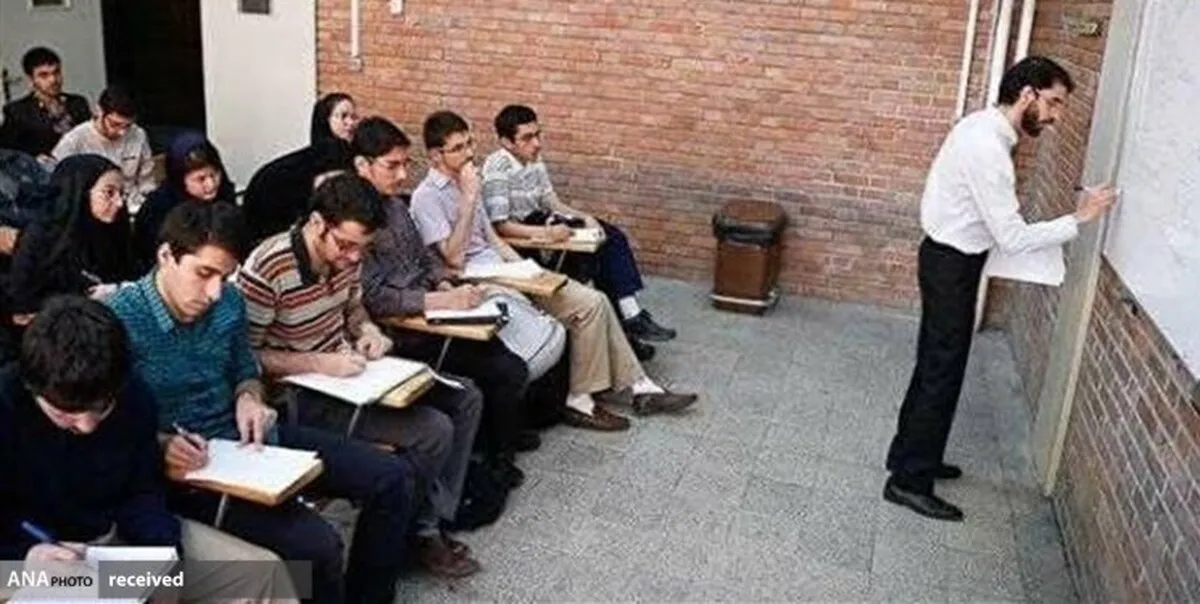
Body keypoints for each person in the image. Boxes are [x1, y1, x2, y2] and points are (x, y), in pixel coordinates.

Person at [106, 200, 417, 604]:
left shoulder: (229, 301)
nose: (214, 292)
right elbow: (102, 420)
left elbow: (245, 369)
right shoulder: (117, 320)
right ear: (166, 255)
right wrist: (162, 443)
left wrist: (249, 397)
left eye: (224, 277)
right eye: (204, 274)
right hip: (186, 467)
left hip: (245, 439)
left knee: (392, 477)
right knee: (317, 546)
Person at [883, 56, 1116, 521]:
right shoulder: (988, 148)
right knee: (941, 371)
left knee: (934, 365)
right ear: (1027, 94)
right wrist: (1080, 219)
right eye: (1053, 103)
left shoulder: (983, 128)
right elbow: (1011, 236)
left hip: (947, 259)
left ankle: (912, 457)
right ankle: (909, 481)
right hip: (951, 265)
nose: (1054, 117)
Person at [237, 173, 486, 578]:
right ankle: (417, 534)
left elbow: (354, 309)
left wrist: (368, 332)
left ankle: (428, 521)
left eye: (362, 249)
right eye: (345, 245)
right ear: (317, 223)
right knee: (433, 430)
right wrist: (317, 363)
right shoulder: (271, 264)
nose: (354, 258)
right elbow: (246, 356)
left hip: (350, 373)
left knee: (465, 397)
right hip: (300, 394)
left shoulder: (347, 258)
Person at [411, 110, 698, 431]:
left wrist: (525, 269)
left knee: (594, 301)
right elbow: (452, 258)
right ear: (435, 155)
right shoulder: (427, 197)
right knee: (575, 308)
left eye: (470, 144)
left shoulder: (471, 181)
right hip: (473, 278)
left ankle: (631, 388)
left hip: (502, 268)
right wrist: (467, 199)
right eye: (458, 148)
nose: (468, 154)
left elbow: (492, 238)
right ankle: (588, 400)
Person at [0, 296, 298, 603]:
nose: (87, 426)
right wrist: (25, 556)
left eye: (102, 408)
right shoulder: (6, 406)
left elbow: (142, 488)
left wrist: (163, 553)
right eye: (65, 414)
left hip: (114, 540)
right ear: (32, 389)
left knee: (264, 573)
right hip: (28, 558)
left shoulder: (133, 396)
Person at [353, 115, 539, 484]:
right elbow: (374, 297)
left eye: (406, 164)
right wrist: (440, 302)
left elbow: (425, 259)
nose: (402, 175)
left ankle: (496, 443)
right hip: (404, 329)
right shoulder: (355, 219)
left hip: (431, 310)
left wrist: (442, 283)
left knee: (507, 360)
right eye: (392, 166)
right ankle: (496, 460)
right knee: (501, 372)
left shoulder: (395, 206)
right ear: (362, 165)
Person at [483, 104, 675, 353]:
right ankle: (626, 329)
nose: (537, 143)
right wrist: (545, 233)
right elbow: (500, 226)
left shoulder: (534, 160)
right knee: (594, 260)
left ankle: (630, 317)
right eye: (527, 138)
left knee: (609, 236)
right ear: (506, 142)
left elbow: (551, 202)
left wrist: (586, 218)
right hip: (524, 242)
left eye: (538, 134)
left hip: (544, 225)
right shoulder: (498, 169)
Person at [7, 155, 138, 327]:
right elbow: (21, 306)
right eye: (109, 193)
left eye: (122, 193)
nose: (120, 203)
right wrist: (83, 299)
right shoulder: (40, 237)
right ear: (80, 192)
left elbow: (128, 274)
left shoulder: (115, 230)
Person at [134, 132, 236, 268]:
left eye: (214, 174)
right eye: (201, 179)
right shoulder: (157, 209)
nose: (211, 184)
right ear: (180, 180)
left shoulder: (225, 193)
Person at [51, 86, 156, 214]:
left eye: (127, 126)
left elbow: (147, 180)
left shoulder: (138, 134)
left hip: (133, 205)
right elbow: (59, 186)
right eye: (115, 124)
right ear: (99, 111)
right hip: (91, 211)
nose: (122, 132)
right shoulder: (74, 140)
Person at [0, 47, 91, 158]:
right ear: (31, 79)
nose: (53, 80)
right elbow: (8, 153)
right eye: (44, 75)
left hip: (82, 162)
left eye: (56, 72)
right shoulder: (18, 111)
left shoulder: (78, 103)